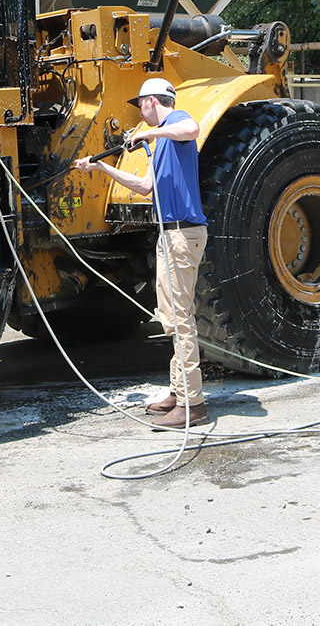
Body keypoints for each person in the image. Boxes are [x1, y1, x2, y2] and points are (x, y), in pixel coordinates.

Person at [74, 76, 210, 429]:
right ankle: (178, 393)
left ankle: (193, 405)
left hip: (182, 233)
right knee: (171, 317)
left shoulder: (176, 122)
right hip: (171, 235)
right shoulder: (164, 141)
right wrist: (101, 167)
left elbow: (192, 129)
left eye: (140, 105)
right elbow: (145, 186)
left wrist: (152, 133)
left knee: (180, 320)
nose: (140, 113)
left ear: (152, 101)